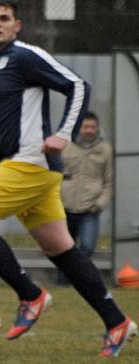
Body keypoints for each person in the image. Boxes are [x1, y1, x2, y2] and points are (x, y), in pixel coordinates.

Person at [0, 0, 136, 357]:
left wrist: (65, 133)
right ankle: (117, 321)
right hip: (28, 169)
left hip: (28, 163)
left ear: (18, 26)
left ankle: (31, 295)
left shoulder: (24, 56)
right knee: (60, 249)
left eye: (5, 18)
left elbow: (78, 86)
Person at [58, 111, 113, 285]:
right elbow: (55, 174)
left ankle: (80, 281)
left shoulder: (105, 150)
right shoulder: (66, 146)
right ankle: (62, 282)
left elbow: (109, 183)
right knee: (64, 247)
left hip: (90, 208)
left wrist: (99, 204)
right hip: (66, 206)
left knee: (87, 246)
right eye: (85, 127)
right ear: (79, 128)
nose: (89, 130)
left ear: (97, 128)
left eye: (92, 127)